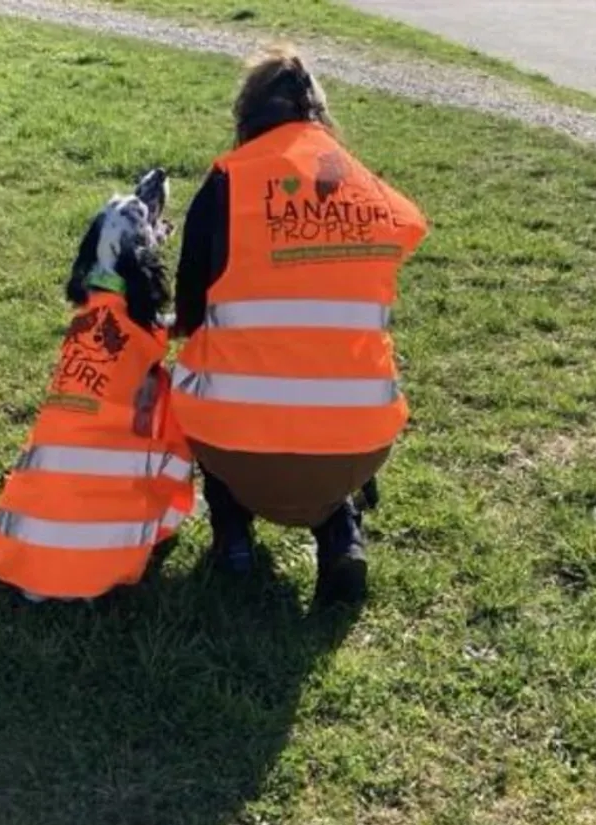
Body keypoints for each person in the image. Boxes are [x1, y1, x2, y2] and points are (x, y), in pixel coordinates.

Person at [168, 44, 429, 606]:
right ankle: (342, 536)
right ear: (318, 111)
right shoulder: (363, 186)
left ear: (248, 114)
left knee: (193, 375)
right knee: (343, 378)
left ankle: (232, 535)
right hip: (356, 444)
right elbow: (410, 227)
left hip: (235, 443)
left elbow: (188, 310)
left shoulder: (227, 183)